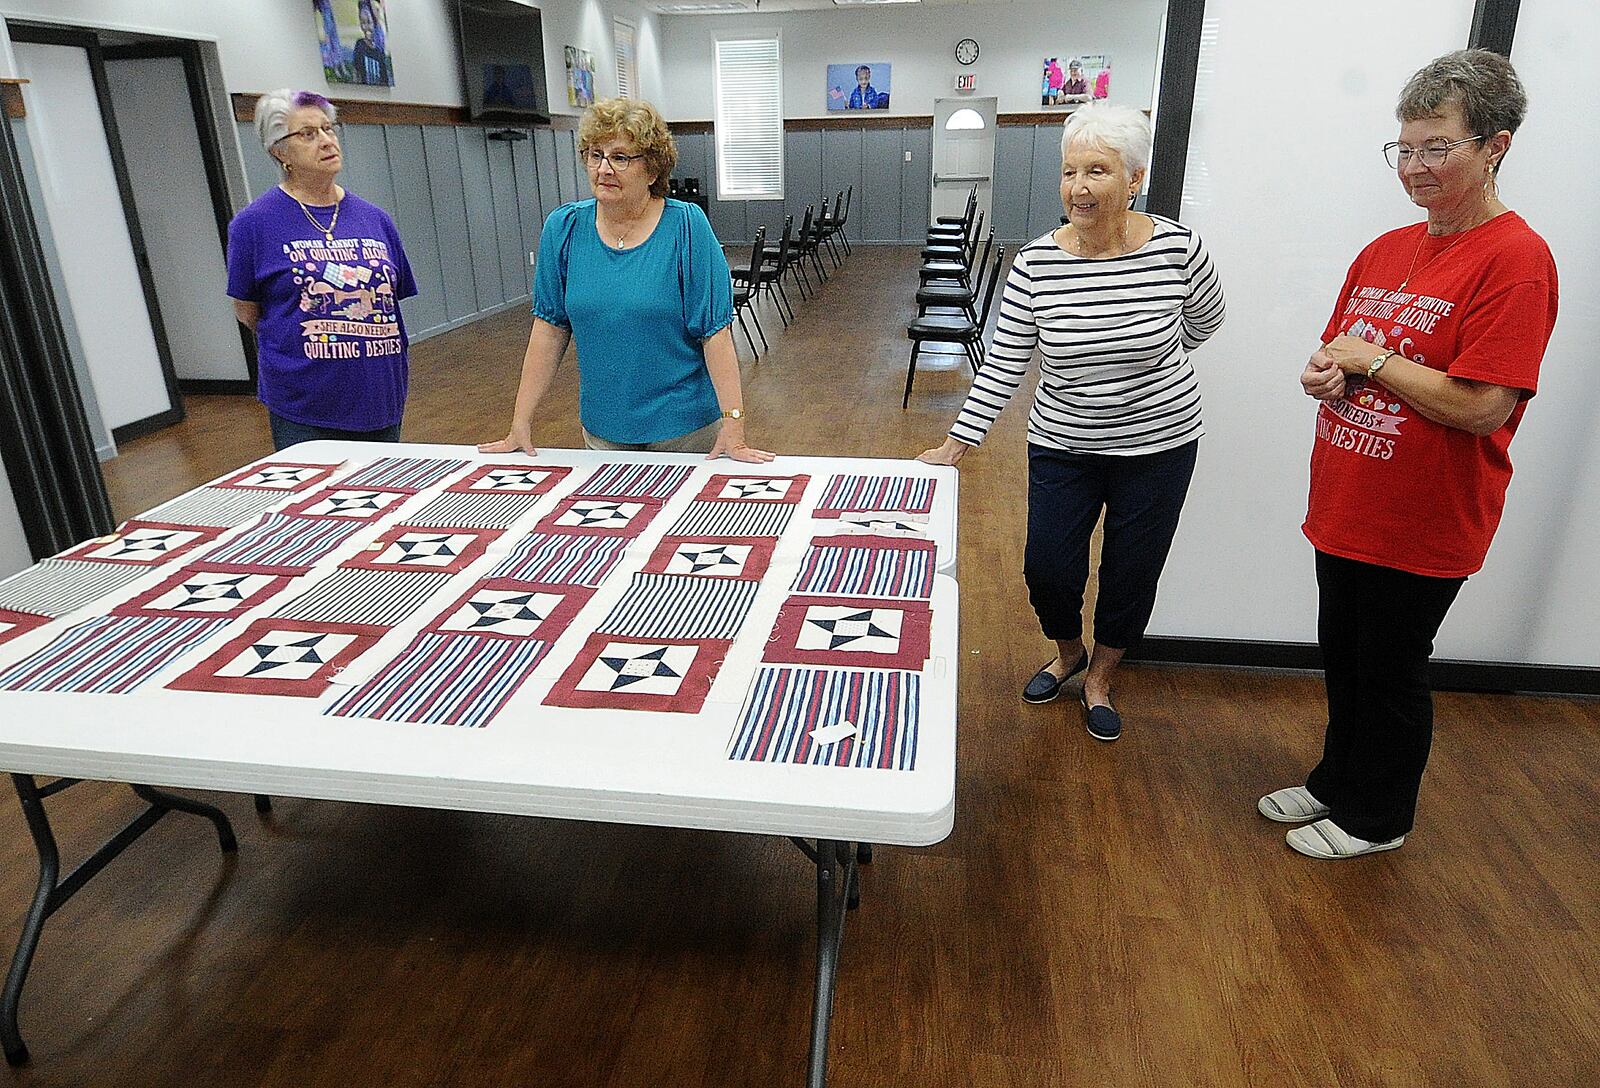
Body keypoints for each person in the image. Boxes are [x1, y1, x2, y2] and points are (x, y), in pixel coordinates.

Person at [1264, 49, 1557, 859]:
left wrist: (1371, 362)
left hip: (1425, 517)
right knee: (1345, 656)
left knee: (1391, 670)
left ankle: (1378, 817)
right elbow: (1342, 350)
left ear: (1495, 146)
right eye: (1405, 148)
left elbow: (1483, 405)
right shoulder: (1385, 249)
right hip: (1349, 500)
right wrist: (1328, 371)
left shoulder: (1515, 258)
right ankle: (1335, 781)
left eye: (1438, 148)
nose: (1415, 167)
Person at [919, 103, 1224, 741]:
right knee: (1048, 567)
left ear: (1134, 179)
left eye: (1097, 172)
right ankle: (1067, 653)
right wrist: (956, 443)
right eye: (1069, 173)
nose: (1079, 188)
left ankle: (1103, 677)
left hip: (1161, 445)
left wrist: (1145, 362)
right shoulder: (1036, 262)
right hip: (1064, 444)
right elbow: (1004, 362)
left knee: (1132, 569)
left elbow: (1203, 324)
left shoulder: (1179, 248)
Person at [481, 98, 771, 462]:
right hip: (603, 430)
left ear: (652, 170)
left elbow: (715, 334)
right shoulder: (564, 228)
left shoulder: (686, 226)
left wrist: (734, 426)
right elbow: (549, 330)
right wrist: (519, 423)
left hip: (684, 431)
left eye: (620, 158)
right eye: (594, 154)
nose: (603, 169)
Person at [227, 89, 417, 451]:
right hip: (305, 405)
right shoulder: (253, 225)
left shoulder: (375, 219)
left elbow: (393, 299)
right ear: (279, 151)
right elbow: (248, 311)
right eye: (309, 134)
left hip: (380, 398)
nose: (327, 141)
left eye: (329, 129)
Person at [352, 0, 391, 86]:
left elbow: (385, 78)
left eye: (369, 22)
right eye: (362, 22)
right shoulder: (360, 45)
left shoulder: (380, 50)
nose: (365, 27)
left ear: (375, 23)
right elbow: (356, 71)